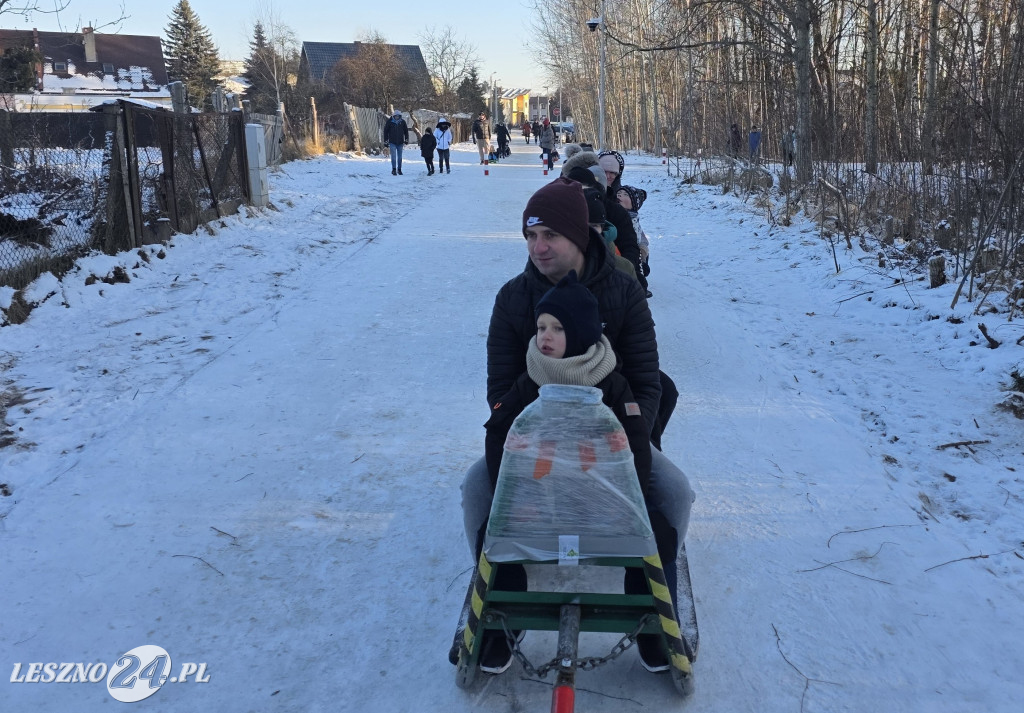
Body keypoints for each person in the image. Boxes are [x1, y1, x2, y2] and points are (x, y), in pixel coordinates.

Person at [461, 177, 695, 674]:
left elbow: (648, 384)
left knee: (676, 494)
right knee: (473, 492)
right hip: (534, 447)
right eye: (529, 237)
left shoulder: (624, 292)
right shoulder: (513, 299)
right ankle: (505, 601)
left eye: (549, 235)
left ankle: (653, 609)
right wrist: (529, 457)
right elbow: (501, 394)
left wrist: (622, 458)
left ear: (577, 236)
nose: (538, 248)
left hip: (612, 442)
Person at [616, 185, 651, 282]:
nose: (619, 196)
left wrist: (643, 258)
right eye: (618, 194)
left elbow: (642, 240)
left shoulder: (635, 220)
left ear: (634, 203)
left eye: (625, 195)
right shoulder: (614, 215)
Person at [382, 110, 409, 175]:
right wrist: (386, 140)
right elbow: (386, 131)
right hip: (392, 142)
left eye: (398, 116)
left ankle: (399, 169)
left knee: (400, 157)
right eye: (396, 116)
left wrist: (406, 139)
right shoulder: (390, 122)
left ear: (400, 116)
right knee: (393, 157)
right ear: (393, 116)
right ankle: (393, 169)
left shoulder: (402, 122)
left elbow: (406, 131)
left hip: (400, 142)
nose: (397, 117)